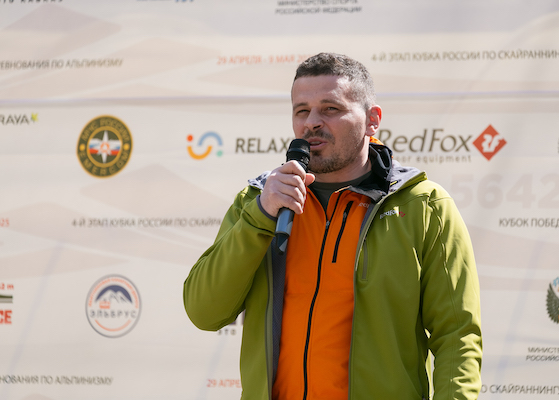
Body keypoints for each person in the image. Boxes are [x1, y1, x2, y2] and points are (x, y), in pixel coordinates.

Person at [183, 52, 482, 400]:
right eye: (301, 110)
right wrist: (260, 216)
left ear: (372, 120)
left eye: (330, 108)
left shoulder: (423, 205)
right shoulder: (258, 202)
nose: (312, 122)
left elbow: (457, 336)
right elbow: (204, 312)